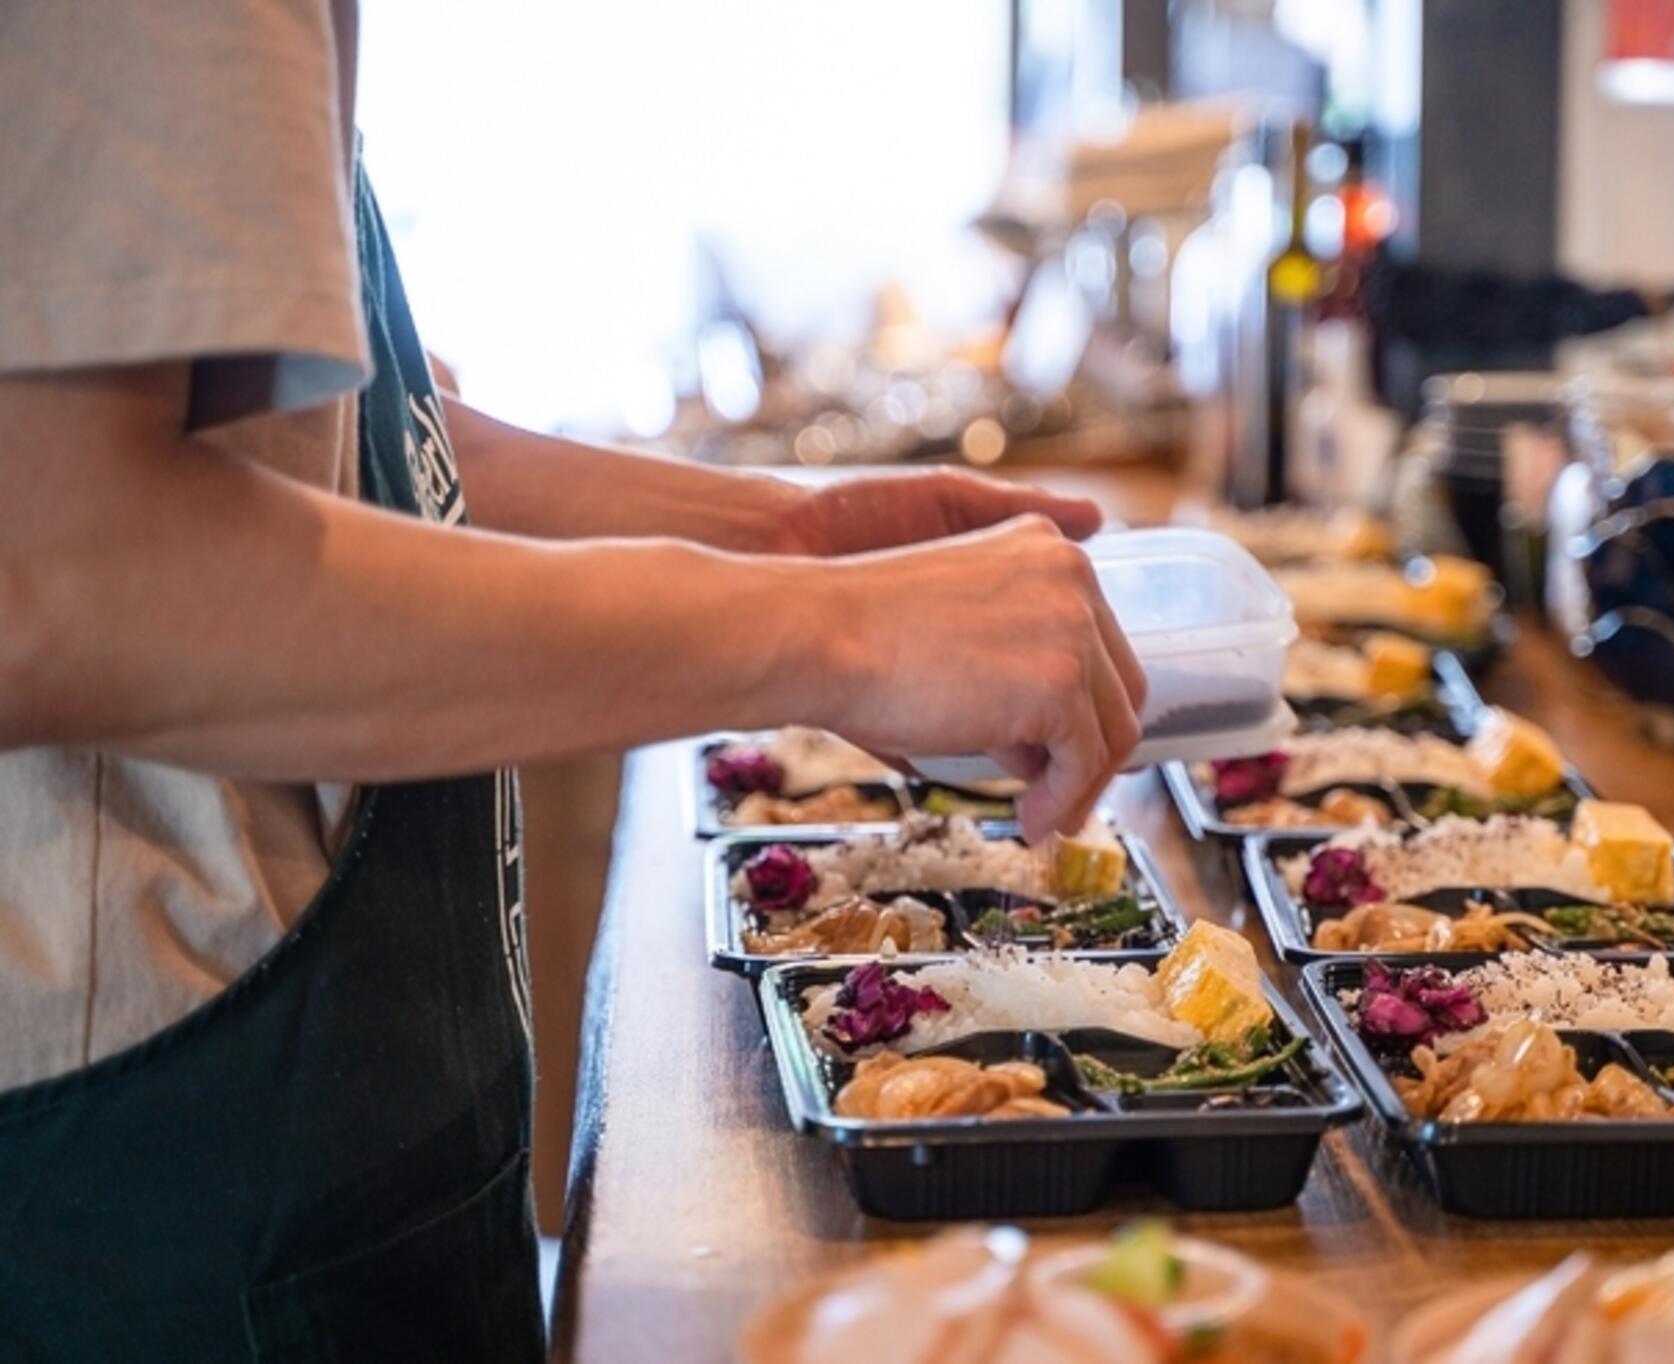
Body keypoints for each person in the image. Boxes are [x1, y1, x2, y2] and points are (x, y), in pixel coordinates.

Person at [0, 5, 1143, 1359]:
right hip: (156, 1189)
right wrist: (832, 633)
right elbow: (65, 575)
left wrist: (788, 536)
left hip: (328, 1129)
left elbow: (336, 437)